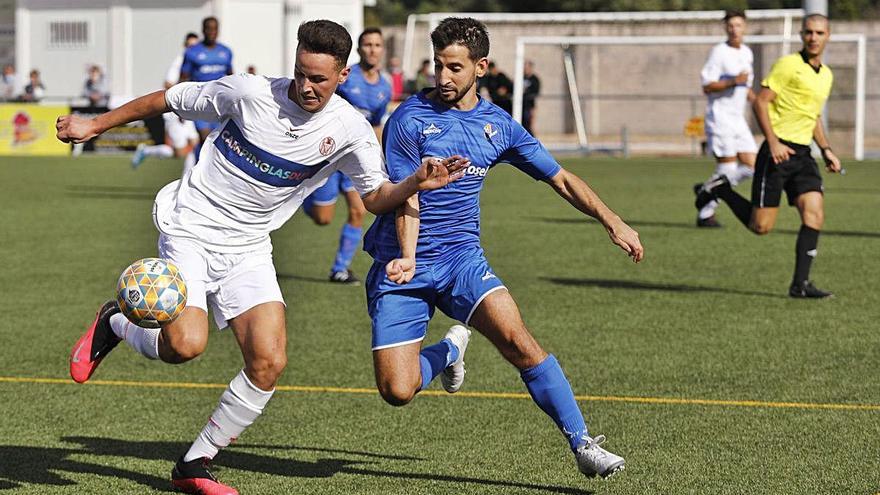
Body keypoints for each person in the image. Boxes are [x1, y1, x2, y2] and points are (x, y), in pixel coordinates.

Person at [57, 19, 465, 495]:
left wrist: (417, 182)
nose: (306, 87)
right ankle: (117, 324)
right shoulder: (249, 93)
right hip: (192, 226)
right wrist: (94, 124)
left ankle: (194, 463)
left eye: (319, 79)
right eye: (300, 73)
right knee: (184, 346)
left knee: (269, 361)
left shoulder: (350, 128)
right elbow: (169, 98)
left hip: (249, 246)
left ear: (343, 74)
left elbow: (376, 197)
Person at [363, 17, 643, 480]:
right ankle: (450, 351)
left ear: (481, 66)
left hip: (462, 261)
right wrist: (409, 255)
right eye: (438, 66)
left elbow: (561, 178)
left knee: (518, 341)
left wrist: (612, 221)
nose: (443, 77)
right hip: (402, 266)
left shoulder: (497, 126)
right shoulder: (408, 119)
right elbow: (405, 195)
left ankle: (583, 443)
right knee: (397, 389)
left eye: (455, 67)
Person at [695, 14, 841, 298]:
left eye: (819, 33)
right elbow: (761, 103)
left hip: (803, 156)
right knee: (760, 227)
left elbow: (812, 117)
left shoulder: (826, 75)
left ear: (828, 36)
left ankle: (800, 285)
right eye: (809, 32)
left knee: (814, 213)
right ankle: (721, 189)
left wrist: (826, 149)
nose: (813, 37)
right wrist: (773, 142)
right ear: (801, 35)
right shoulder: (788, 65)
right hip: (777, 152)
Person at [302, 27, 392, 284]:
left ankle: (340, 269)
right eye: (367, 44)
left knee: (358, 210)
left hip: (355, 158)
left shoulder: (384, 87)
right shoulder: (346, 77)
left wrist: (376, 157)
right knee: (323, 218)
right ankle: (299, 194)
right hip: (329, 155)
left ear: (382, 49)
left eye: (377, 45)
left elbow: (375, 125)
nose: (372, 49)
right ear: (359, 49)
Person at [692, 10, 757, 228]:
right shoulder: (719, 52)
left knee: (753, 167)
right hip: (720, 118)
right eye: (730, 25)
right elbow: (707, 85)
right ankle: (705, 214)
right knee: (728, 170)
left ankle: (707, 188)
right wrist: (732, 81)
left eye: (738, 25)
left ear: (744, 27)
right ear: (725, 28)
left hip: (738, 119)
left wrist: (760, 103)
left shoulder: (747, 53)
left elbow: (746, 87)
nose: (734, 29)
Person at [132, 33, 201, 173]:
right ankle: (146, 151)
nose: (193, 48)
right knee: (179, 152)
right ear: (185, 46)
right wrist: (182, 102)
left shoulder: (197, 62)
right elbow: (168, 83)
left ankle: (187, 184)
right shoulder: (179, 62)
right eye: (190, 45)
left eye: (195, 45)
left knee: (197, 145)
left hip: (191, 111)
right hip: (176, 113)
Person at [179, 17, 234, 143]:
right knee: (206, 138)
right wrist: (179, 107)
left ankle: (198, 160)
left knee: (220, 141)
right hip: (200, 101)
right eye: (209, 29)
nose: (212, 32)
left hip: (220, 103)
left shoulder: (226, 52)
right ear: (203, 30)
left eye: (214, 29)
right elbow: (183, 78)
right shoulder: (192, 52)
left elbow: (231, 76)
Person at [521, 60, 541, 135]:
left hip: (529, 105)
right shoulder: (521, 77)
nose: (525, 69)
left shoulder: (534, 79)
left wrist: (526, 92)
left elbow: (536, 92)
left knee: (529, 124)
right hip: (521, 105)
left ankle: (532, 139)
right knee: (522, 124)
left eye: (527, 68)